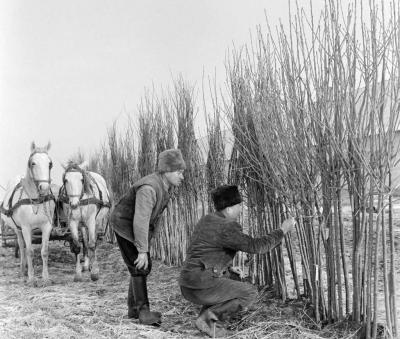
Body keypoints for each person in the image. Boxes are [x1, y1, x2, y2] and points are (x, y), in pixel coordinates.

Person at [179, 185, 295, 337]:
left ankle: (207, 317)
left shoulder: (207, 219)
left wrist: (227, 268)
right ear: (228, 209)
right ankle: (208, 321)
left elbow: (206, 252)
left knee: (232, 277)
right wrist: (282, 231)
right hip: (201, 286)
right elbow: (257, 246)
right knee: (249, 293)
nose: (242, 208)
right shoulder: (227, 226)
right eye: (239, 205)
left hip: (187, 284)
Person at [110, 149, 185, 326]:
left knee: (138, 266)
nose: (182, 177)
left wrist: (147, 242)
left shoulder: (165, 186)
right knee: (140, 266)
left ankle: (134, 309)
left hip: (133, 225)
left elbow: (153, 217)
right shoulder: (149, 188)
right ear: (167, 171)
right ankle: (143, 313)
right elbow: (141, 220)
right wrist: (142, 250)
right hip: (124, 224)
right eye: (179, 172)